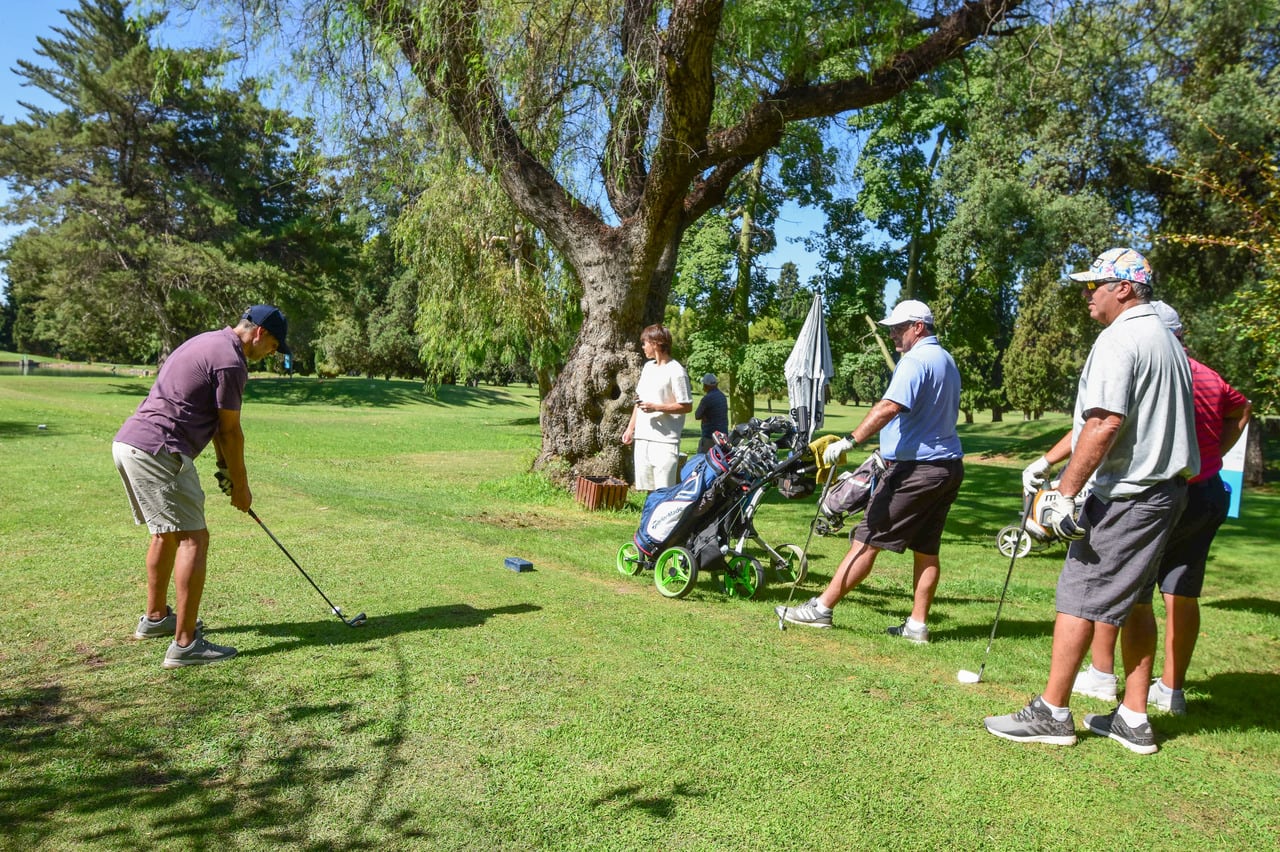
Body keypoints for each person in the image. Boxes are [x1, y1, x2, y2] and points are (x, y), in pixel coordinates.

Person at [984, 248, 1198, 755]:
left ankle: (1052, 712)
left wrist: (1064, 493)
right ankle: (1133, 716)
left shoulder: (1120, 337)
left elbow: (1104, 422)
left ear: (1123, 288)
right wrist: (1053, 462)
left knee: (1078, 595)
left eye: (1094, 285)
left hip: (1129, 495)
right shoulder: (1165, 339)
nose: (1087, 294)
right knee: (1137, 598)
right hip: (1164, 494)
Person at [1070, 300, 1251, 714]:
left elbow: (1107, 422)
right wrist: (1214, 457)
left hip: (1156, 492)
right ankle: (1171, 690)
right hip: (1204, 490)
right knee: (1180, 593)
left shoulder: (1158, 368)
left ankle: (1102, 676)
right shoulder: (1208, 375)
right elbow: (1242, 408)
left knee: (1123, 586)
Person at [775, 299, 964, 642]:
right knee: (927, 548)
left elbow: (890, 406)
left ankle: (821, 608)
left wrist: (850, 440)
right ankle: (917, 626)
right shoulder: (945, 359)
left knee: (867, 538)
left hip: (915, 471)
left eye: (898, 327)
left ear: (918, 327)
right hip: (947, 468)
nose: (892, 333)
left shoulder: (915, 360)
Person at [113, 305, 290, 669]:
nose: (272, 353)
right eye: (274, 345)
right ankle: (185, 644)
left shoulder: (208, 342)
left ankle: (156, 618)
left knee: (166, 533)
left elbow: (207, 419)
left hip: (130, 443)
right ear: (259, 334)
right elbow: (229, 429)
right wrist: (241, 487)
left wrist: (225, 467)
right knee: (194, 537)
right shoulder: (232, 362)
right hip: (160, 449)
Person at [621, 324, 693, 490]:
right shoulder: (648, 368)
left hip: (664, 442)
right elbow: (639, 402)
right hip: (643, 439)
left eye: (645, 343)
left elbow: (686, 406)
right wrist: (630, 429)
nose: (643, 347)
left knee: (663, 492)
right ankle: (647, 517)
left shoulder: (676, 371)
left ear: (655, 343)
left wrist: (657, 407)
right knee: (647, 490)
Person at [693, 373, 729, 454]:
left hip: (710, 436)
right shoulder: (722, 397)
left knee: (703, 459)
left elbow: (697, 415)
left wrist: (704, 415)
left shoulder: (706, 399)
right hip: (723, 436)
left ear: (706, 386)